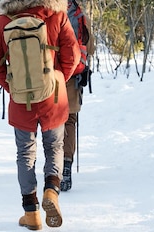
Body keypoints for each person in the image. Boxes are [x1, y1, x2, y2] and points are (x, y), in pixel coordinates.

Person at [0, 0, 80, 230]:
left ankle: (31, 213)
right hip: (53, 98)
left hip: (21, 98)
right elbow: (73, 55)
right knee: (55, 147)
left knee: (25, 152)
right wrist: (57, 80)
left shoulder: (2, 21)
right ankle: (51, 192)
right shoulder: (56, 15)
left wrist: (13, 86)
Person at [61, 0, 95, 192]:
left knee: (53, 121)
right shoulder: (80, 15)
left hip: (54, 74)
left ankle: (54, 168)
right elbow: (90, 47)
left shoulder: (48, 12)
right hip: (74, 74)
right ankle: (66, 165)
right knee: (70, 120)